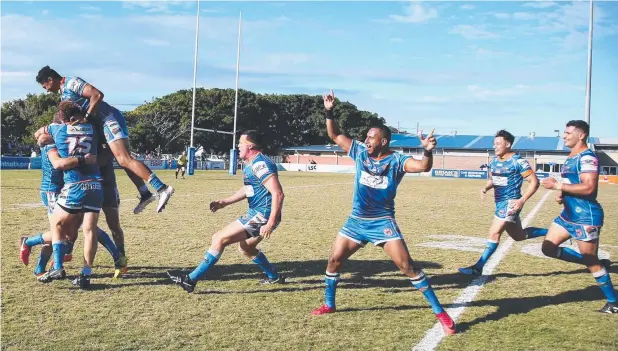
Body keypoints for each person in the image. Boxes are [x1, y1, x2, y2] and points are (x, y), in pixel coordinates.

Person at [310, 90, 456, 335]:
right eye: (366, 136)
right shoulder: (358, 151)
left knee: (407, 267)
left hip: (382, 222)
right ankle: (329, 304)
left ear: (384, 141)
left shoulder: (397, 161)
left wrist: (428, 151)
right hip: (356, 221)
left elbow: (422, 166)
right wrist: (329, 110)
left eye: (371, 137)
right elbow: (334, 134)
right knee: (334, 261)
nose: (366, 140)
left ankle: (440, 312)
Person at [35, 66, 174, 214]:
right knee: (123, 161)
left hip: (108, 119)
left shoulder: (71, 83)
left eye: (45, 86)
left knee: (124, 159)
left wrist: (86, 117)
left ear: (50, 80)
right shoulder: (63, 93)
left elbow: (97, 94)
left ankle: (162, 188)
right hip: (101, 125)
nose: (47, 90)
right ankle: (145, 193)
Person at [168, 130, 286, 292]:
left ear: (250, 145)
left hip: (262, 215)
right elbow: (248, 189)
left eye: (240, 143)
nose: (237, 146)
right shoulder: (251, 164)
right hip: (260, 214)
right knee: (245, 248)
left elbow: (277, 193)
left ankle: (190, 280)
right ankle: (274, 276)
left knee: (219, 238)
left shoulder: (260, 164)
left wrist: (270, 222)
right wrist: (225, 202)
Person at [533, 120, 617, 313]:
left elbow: (588, 187)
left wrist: (558, 186)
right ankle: (590, 262)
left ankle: (614, 302)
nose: (564, 136)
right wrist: (563, 193)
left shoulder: (587, 157)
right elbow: (573, 181)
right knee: (548, 247)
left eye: (568, 133)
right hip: (568, 215)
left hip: (585, 217)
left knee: (591, 261)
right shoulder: (572, 156)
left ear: (581, 135)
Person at [35, 101, 103, 289]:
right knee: (90, 229)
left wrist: (43, 139)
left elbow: (39, 135)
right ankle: (86, 273)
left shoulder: (57, 129)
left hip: (75, 185)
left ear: (69, 119)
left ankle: (57, 266)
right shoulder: (94, 128)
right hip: (96, 186)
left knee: (57, 223)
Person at [458, 130, 543, 276]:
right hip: (499, 203)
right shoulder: (495, 161)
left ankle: (477, 267)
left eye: (498, 143)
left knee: (494, 233)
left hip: (510, 203)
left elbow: (534, 182)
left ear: (508, 144)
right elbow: (493, 180)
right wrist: (485, 188)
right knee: (519, 236)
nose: (495, 146)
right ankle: (551, 233)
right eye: (494, 143)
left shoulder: (518, 161)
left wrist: (522, 200)